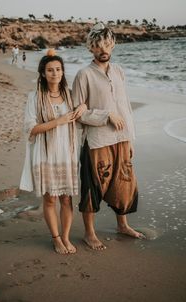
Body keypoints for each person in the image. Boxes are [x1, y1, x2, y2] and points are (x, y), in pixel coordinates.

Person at [72, 23, 145, 251]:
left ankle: (123, 225)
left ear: (113, 44)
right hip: (97, 141)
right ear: (90, 48)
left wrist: (129, 138)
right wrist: (106, 115)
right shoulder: (84, 75)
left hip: (121, 140)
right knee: (93, 187)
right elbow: (77, 112)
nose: (102, 48)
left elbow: (125, 108)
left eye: (106, 43)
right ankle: (89, 233)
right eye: (97, 45)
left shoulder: (119, 71)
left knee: (124, 184)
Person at [20, 49, 86, 254]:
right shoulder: (35, 97)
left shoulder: (70, 95)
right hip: (46, 154)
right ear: (42, 73)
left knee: (67, 198)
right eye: (50, 70)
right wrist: (58, 121)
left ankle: (65, 237)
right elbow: (31, 128)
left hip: (67, 153)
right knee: (50, 199)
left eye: (58, 69)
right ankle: (56, 238)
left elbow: (82, 111)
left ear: (63, 72)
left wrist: (83, 106)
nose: (55, 73)